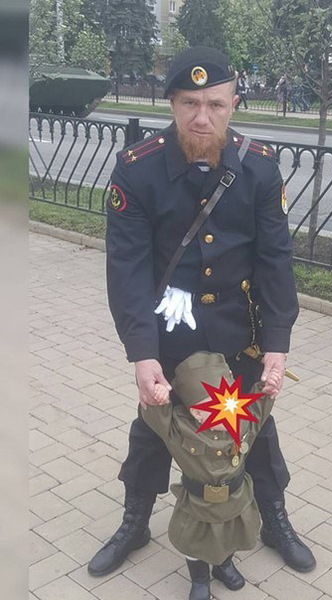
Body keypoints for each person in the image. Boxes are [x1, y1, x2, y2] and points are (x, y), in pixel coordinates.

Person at [87, 45, 316, 580]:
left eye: (215, 103)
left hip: (239, 329)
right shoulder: (137, 170)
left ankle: (275, 518)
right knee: (153, 429)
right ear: (171, 103)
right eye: (190, 103)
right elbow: (127, 270)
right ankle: (135, 522)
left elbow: (275, 261)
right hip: (170, 331)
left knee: (251, 429)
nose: (202, 117)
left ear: (233, 104)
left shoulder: (259, 168)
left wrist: (277, 345)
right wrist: (142, 354)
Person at [143, 351, 274, 600]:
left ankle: (224, 566)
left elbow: (260, 409)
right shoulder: (181, 430)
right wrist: (157, 399)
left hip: (234, 499)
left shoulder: (243, 422)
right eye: (217, 406)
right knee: (194, 541)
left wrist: (269, 386)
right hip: (198, 504)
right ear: (197, 413)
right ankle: (200, 577)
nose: (229, 411)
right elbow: (157, 419)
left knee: (230, 535)